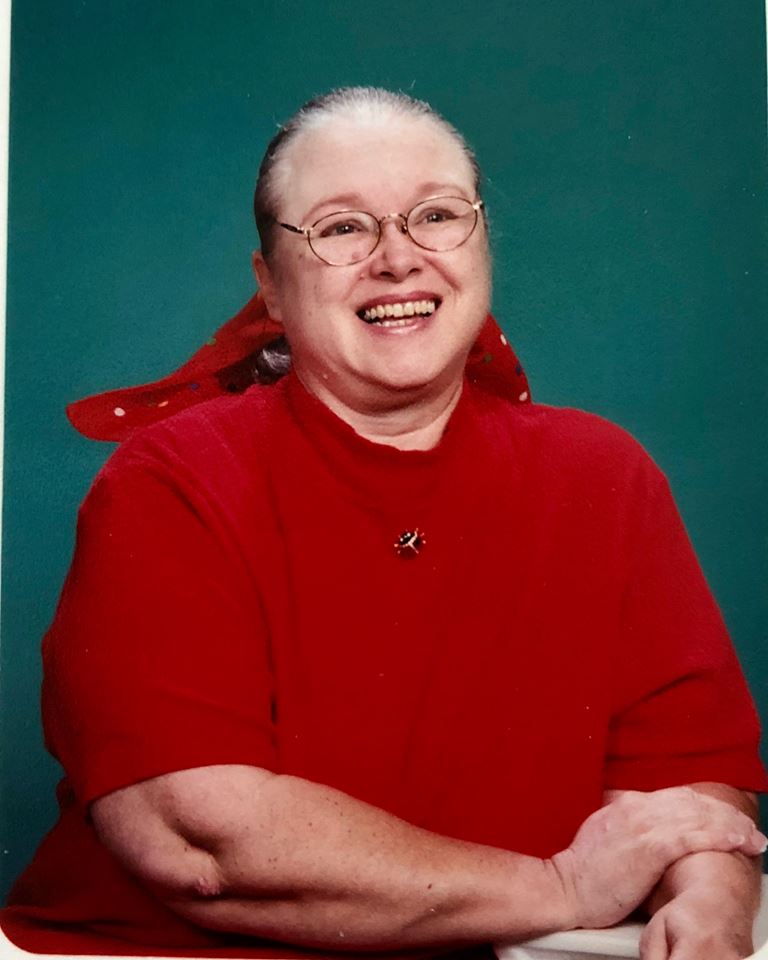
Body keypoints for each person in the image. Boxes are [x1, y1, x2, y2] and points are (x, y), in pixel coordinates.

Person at [2, 87, 767, 960]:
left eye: (436, 216)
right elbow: (198, 842)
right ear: (270, 286)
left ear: (481, 244)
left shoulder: (604, 474)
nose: (399, 260)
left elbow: (685, 784)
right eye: (342, 228)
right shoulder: (171, 480)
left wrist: (711, 900)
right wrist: (560, 889)